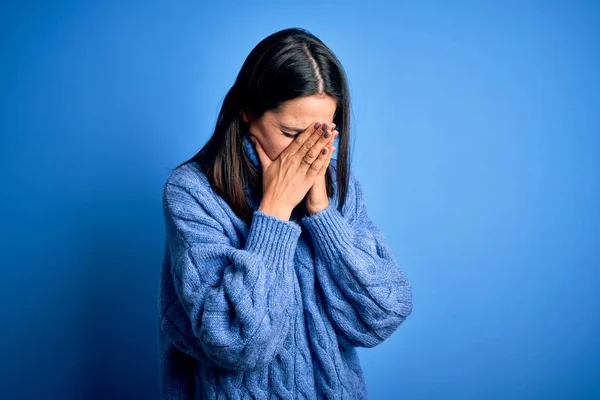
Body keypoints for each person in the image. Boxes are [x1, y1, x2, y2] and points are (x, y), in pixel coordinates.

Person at [157, 27, 413, 399]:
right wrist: (274, 212)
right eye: (293, 134)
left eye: (323, 134)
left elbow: (380, 316)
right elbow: (237, 343)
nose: (310, 151)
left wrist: (322, 215)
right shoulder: (192, 193)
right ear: (246, 112)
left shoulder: (339, 187)